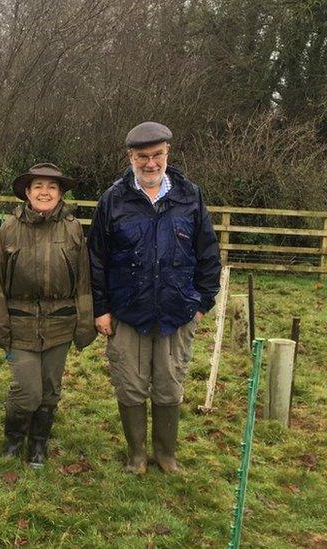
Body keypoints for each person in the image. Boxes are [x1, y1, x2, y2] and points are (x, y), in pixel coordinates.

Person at [88, 122, 220, 474]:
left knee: (169, 384)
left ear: (167, 154)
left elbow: (208, 252)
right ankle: (136, 455)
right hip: (127, 312)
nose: (150, 163)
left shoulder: (190, 196)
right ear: (130, 157)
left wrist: (202, 302)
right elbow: (96, 259)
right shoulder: (113, 200)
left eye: (157, 155)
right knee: (130, 385)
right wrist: (101, 309)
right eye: (142, 156)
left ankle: (166, 455)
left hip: (177, 312)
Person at [0, 163, 96, 468]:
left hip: (60, 324)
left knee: (49, 390)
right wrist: (0, 327)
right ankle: (13, 440)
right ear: (27, 192)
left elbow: (83, 281)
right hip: (19, 324)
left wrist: (84, 325)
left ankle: (38, 445)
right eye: (38, 186)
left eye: (51, 187)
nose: (45, 192)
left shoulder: (73, 228)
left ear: (60, 193)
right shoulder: (9, 228)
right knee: (27, 391)